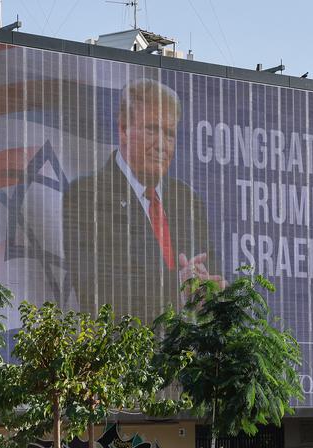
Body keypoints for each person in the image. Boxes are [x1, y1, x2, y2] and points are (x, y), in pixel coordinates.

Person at [63, 77, 222, 324]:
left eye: (169, 134)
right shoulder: (86, 195)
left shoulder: (188, 201)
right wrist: (177, 287)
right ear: (124, 129)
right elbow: (95, 289)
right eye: (151, 129)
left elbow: (211, 273)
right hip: (123, 354)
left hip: (189, 356)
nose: (162, 145)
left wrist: (213, 292)